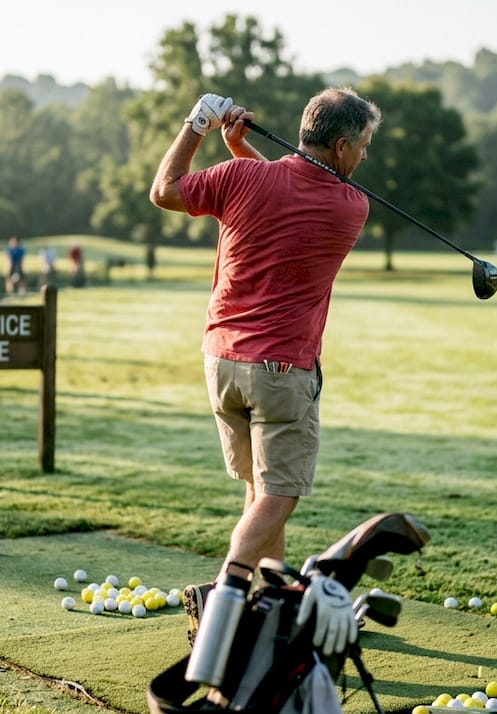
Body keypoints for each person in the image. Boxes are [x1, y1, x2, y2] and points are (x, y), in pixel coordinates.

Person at [149, 89, 380, 655]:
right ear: (343, 145)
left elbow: (166, 191)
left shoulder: (239, 179)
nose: (366, 159)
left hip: (221, 362)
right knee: (280, 495)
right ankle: (222, 594)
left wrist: (204, 128)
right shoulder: (351, 206)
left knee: (259, 488)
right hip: (281, 370)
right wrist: (241, 148)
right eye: (365, 147)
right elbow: (289, 197)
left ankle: (273, 600)